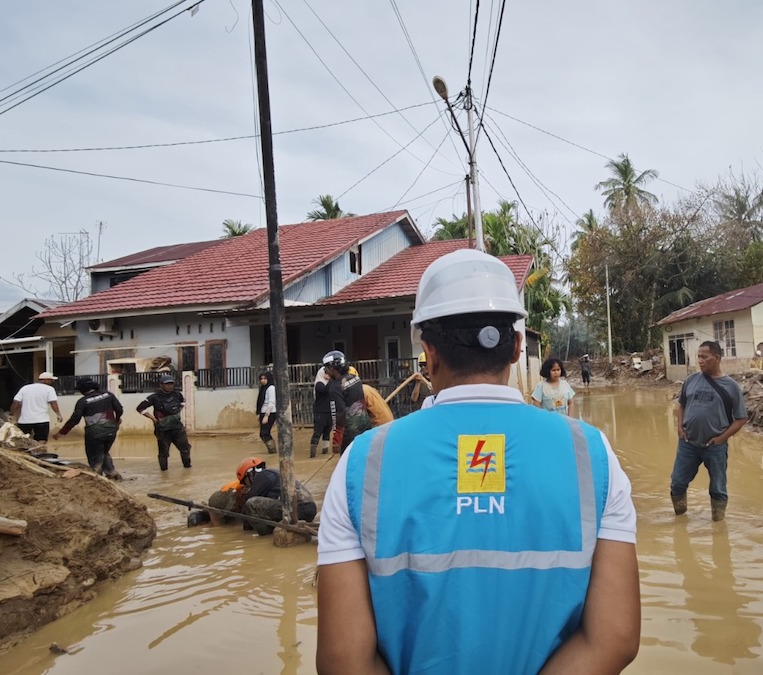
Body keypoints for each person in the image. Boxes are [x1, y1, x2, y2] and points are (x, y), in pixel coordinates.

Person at [315, 248, 640, 675]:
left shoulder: (363, 463)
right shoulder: (593, 454)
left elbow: (344, 663)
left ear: (428, 353)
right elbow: (613, 639)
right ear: (516, 347)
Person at [670, 341, 748, 522]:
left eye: (704, 357)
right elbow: (682, 405)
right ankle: (680, 521)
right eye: (698, 357)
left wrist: (721, 439)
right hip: (688, 443)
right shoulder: (691, 380)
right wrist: (680, 428)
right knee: (677, 484)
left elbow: (741, 419)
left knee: (718, 488)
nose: (700, 361)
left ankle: (718, 525)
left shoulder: (731, 387)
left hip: (714, 447)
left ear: (717, 358)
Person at [52, 377, 123, 480]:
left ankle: (97, 476)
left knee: (95, 455)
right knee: (104, 451)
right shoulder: (108, 395)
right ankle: (112, 473)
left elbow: (75, 419)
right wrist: (117, 420)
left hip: (94, 432)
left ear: (82, 389)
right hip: (111, 429)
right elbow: (119, 409)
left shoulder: (83, 401)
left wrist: (61, 433)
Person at [239, 458, 317, 535]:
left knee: (251, 504)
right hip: (310, 509)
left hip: (297, 509)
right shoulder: (273, 474)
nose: (245, 485)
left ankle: (268, 534)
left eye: (244, 482)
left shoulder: (262, 476)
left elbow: (247, 505)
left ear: (249, 474)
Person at [136, 374, 192, 470]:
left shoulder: (177, 394)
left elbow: (183, 402)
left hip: (177, 428)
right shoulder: (154, 397)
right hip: (163, 430)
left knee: (185, 449)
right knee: (163, 453)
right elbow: (140, 408)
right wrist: (153, 419)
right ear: (161, 385)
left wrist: (177, 413)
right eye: (167, 384)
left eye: (171, 384)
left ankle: (187, 467)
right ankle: (164, 471)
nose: (170, 386)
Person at [310, 353, 346, 458]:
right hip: (320, 411)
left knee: (327, 432)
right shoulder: (319, 384)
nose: (327, 375)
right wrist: (332, 378)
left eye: (328, 372)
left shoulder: (332, 384)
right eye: (325, 373)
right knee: (318, 431)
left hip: (329, 410)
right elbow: (326, 390)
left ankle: (325, 451)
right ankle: (312, 453)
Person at [10, 371, 62, 442]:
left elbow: (16, 402)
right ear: (45, 380)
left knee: (24, 441)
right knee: (41, 440)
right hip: (42, 420)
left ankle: (27, 453)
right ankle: (39, 452)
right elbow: (53, 402)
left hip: (25, 421)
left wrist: (11, 414)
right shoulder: (49, 389)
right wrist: (58, 414)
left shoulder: (25, 388)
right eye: (51, 380)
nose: (52, 382)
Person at [257, 371, 277, 454]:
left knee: (264, 433)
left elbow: (271, 402)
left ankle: (272, 451)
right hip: (263, 412)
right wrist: (259, 414)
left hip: (270, 413)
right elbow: (260, 402)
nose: (263, 380)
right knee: (263, 433)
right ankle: (271, 450)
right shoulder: (263, 388)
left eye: (265, 378)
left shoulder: (271, 388)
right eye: (261, 379)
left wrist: (266, 415)